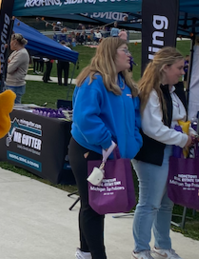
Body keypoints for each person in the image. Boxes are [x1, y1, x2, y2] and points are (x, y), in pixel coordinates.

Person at [68, 37, 142, 259]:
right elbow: (84, 117)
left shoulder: (126, 84)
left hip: (113, 155)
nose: (129, 54)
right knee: (93, 206)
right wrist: (106, 141)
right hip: (89, 151)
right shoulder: (94, 80)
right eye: (124, 50)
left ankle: (84, 251)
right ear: (110, 53)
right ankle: (96, 255)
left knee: (92, 204)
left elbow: (135, 118)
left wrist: (134, 142)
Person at [131, 47, 194, 259]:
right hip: (152, 154)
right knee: (149, 202)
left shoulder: (173, 91)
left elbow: (178, 120)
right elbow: (152, 128)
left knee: (167, 202)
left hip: (172, 151)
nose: (182, 72)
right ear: (165, 67)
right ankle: (141, 248)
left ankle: (163, 245)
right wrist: (184, 139)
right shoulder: (151, 91)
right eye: (179, 68)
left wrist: (190, 132)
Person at [5, 33, 29, 104]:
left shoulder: (22, 53)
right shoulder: (15, 52)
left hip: (15, 85)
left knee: (14, 108)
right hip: (10, 83)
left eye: (11, 41)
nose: (10, 44)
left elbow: (9, 69)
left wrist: (8, 63)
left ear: (15, 42)